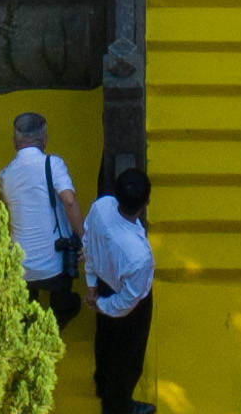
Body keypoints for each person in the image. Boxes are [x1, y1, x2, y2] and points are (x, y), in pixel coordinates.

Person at [82, 171, 157, 411]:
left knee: (104, 340)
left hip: (103, 285)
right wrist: (101, 305)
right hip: (129, 306)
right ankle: (117, 406)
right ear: (146, 202)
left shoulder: (101, 207)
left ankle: (102, 383)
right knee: (128, 358)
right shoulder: (140, 257)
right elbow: (127, 302)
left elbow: (89, 245)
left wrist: (93, 285)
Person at [0, 115, 81, 330]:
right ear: (44, 140)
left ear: (15, 141)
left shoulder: (5, 175)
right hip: (54, 266)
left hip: (21, 268)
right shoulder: (52, 164)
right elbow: (70, 201)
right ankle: (54, 326)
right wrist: (84, 237)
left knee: (26, 309)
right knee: (68, 302)